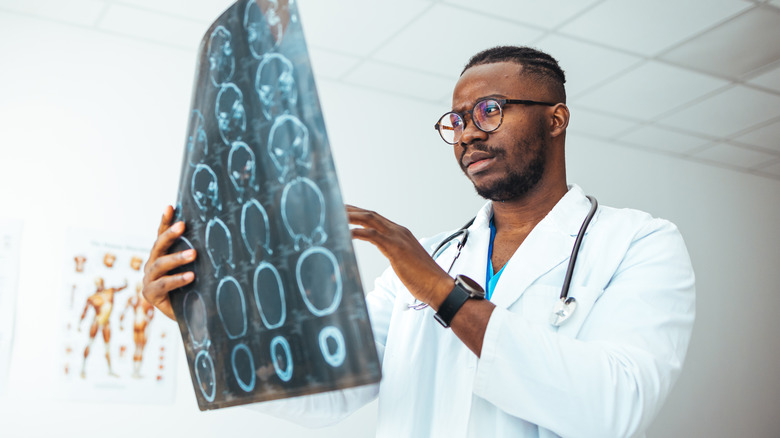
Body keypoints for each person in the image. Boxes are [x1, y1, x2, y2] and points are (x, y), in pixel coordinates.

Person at [142, 46, 695, 437]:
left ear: (556, 119)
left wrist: (440, 290)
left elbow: (616, 409)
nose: (469, 133)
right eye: (456, 121)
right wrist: (197, 315)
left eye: (490, 111)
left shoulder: (639, 244)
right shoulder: (426, 259)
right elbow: (331, 391)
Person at [79, 277, 128, 378]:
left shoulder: (110, 292)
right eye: (97, 283)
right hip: (96, 321)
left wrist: (125, 284)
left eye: (100, 283)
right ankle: (83, 368)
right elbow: (85, 311)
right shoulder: (92, 297)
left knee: (107, 347)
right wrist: (80, 323)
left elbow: (119, 289)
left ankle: (110, 370)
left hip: (106, 322)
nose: (99, 285)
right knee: (90, 343)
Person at [119, 283, 156, 378]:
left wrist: (121, 322)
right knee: (140, 348)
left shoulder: (140, 300)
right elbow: (151, 314)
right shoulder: (144, 300)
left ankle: (136, 370)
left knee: (138, 348)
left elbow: (124, 311)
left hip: (138, 323)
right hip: (141, 324)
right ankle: (136, 370)